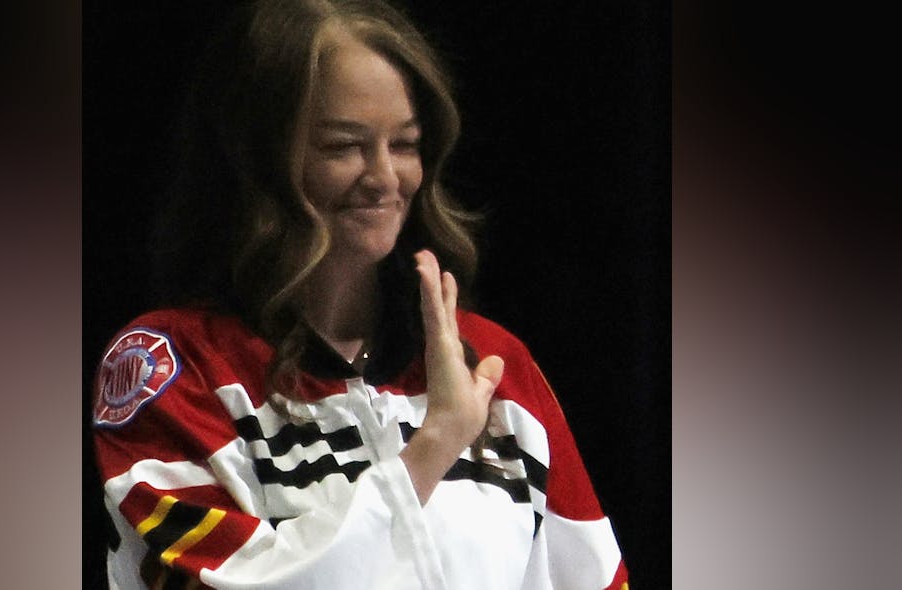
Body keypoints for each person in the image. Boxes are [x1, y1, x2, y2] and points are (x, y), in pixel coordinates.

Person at [91, 1, 630, 588]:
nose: (384, 177)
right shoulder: (176, 367)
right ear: (256, 162)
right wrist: (435, 444)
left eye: (404, 144)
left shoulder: (492, 362)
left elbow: (594, 579)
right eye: (344, 146)